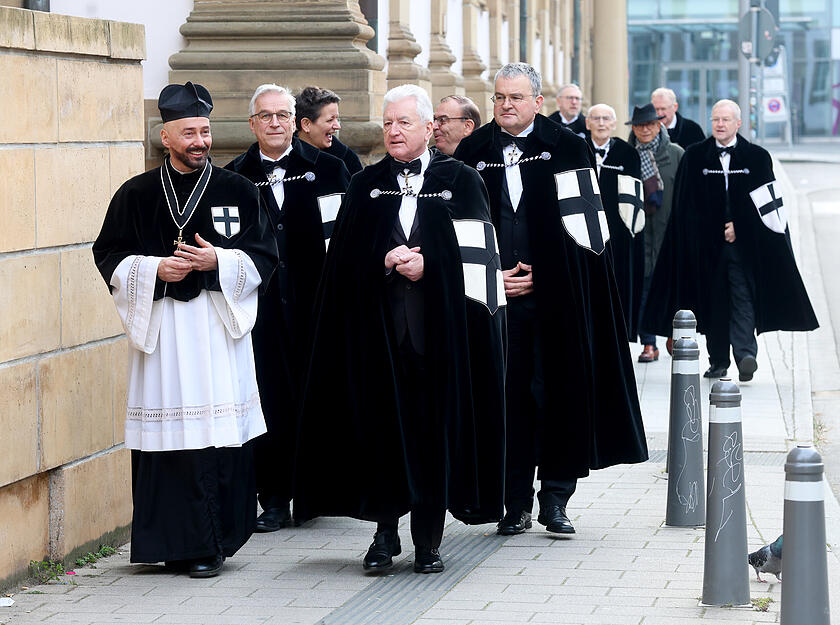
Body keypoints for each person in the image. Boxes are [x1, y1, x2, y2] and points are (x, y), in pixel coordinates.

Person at [294, 84, 506, 575]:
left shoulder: (462, 180)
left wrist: (432, 264)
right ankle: (384, 535)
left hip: (440, 336)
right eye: (388, 123)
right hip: (380, 337)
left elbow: (480, 261)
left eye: (403, 123)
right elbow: (341, 262)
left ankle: (428, 542)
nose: (393, 131)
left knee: (433, 436)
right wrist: (382, 259)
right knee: (382, 435)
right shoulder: (365, 184)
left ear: (429, 128)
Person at [92, 82, 278, 578]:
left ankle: (211, 544)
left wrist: (219, 260)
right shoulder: (134, 194)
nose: (200, 141)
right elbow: (107, 254)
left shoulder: (239, 190)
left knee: (214, 435)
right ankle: (172, 544)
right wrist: (154, 268)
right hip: (164, 334)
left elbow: (266, 257)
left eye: (205, 131)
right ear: (166, 137)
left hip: (215, 328)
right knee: (170, 439)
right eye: (189, 133)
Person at [455, 63, 647, 537]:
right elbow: (459, 231)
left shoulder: (567, 147)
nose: (506, 105)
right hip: (493, 303)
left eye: (516, 97)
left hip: (556, 301)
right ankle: (515, 502)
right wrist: (492, 277)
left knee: (558, 395)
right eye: (500, 97)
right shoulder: (474, 150)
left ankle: (556, 500)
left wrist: (544, 276)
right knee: (508, 400)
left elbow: (587, 234)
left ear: (538, 102)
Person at [225, 84, 350, 532]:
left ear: (295, 121)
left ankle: (317, 493)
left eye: (282, 115)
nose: (274, 123)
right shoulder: (234, 177)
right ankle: (274, 498)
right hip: (259, 313)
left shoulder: (329, 169)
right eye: (265, 116)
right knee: (269, 397)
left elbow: (346, 240)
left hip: (317, 305)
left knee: (317, 395)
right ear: (252, 123)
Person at [643, 99, 817, 380]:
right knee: (714, 302)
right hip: (706, 247)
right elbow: (686, 205)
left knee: (743, 297)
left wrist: (740, 228)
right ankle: (718, 361)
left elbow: (767, 207)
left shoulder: (757, 157)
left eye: (725, 119)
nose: (720, 124)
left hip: (744, 247)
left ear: (738, 123)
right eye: (715, 119)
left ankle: (746, 355)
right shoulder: (695, 156)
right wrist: (707, 232)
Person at [627, 102, 684, 362]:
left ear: (659, 125)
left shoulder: (676, 153)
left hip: (668, 233)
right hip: (638, 234)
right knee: (643, 289)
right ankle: (649, 343)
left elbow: (685, 195)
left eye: (650, 124)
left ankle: (673, 333)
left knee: (671, 288)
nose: (645, 130)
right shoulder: (627, 155)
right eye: (639, 126)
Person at [586, 103, 645, 339]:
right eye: (596, 118)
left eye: (606, 118)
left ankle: (617, 336)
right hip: (584, 232)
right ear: (588, 123)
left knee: (617, 287)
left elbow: (633, 202)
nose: (601, 123)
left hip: (617, 235)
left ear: (614, 124)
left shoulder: (628, 154)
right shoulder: (577, 149)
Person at [295, 85, 363, 175]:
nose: (338, 126)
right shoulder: (282, 156)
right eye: (330, 120)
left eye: (337, 119)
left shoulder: (348, 160)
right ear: (306, 124)